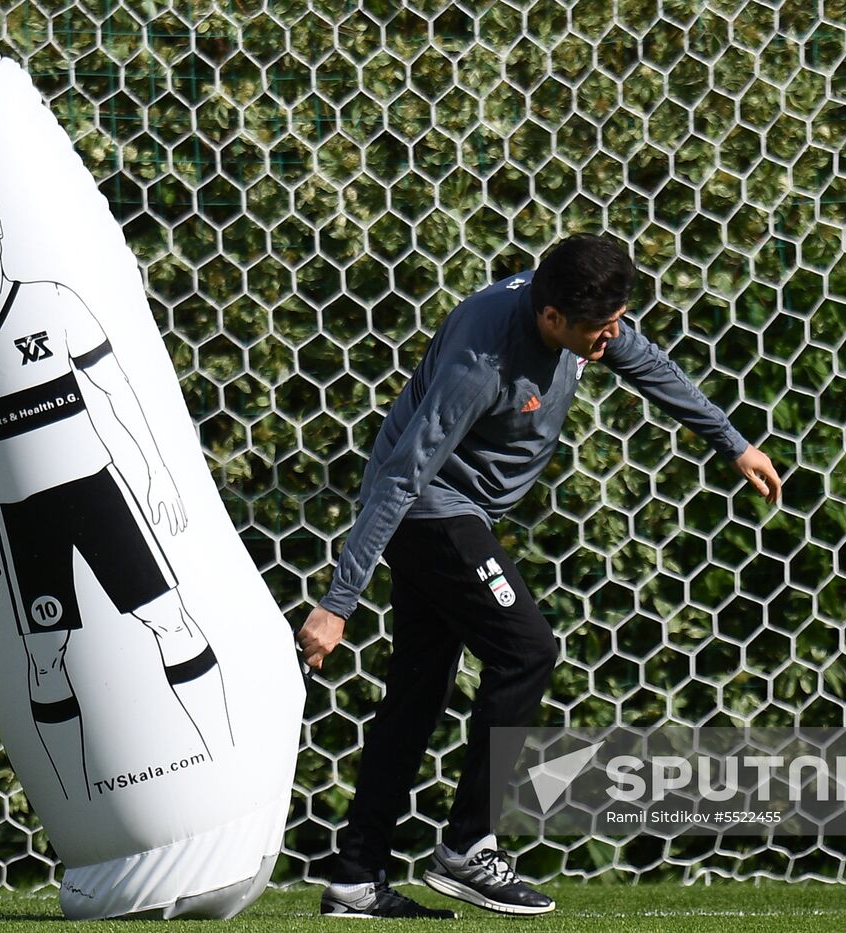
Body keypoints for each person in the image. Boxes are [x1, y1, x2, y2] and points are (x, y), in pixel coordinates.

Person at [297, 233, 783, 917]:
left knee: (416, 695)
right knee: (527, 651)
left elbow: (647, 362)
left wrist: (734, 443)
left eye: (615, 322)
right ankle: (468, 845)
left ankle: (355, 875)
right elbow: (404, 473)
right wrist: (337, 603)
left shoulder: (582, 312)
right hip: (431, 509)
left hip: (450, 516)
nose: (608, 339)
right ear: (550, 316)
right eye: (596, 330)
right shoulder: (482, 357)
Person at [0, 176, 233, 799]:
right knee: (45, 654)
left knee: (169, 619)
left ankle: (221, 757)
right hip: (22, 516)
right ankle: (75, 797)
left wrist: (156, 474)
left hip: (95, 493)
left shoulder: (55, 302)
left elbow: (116, 392)